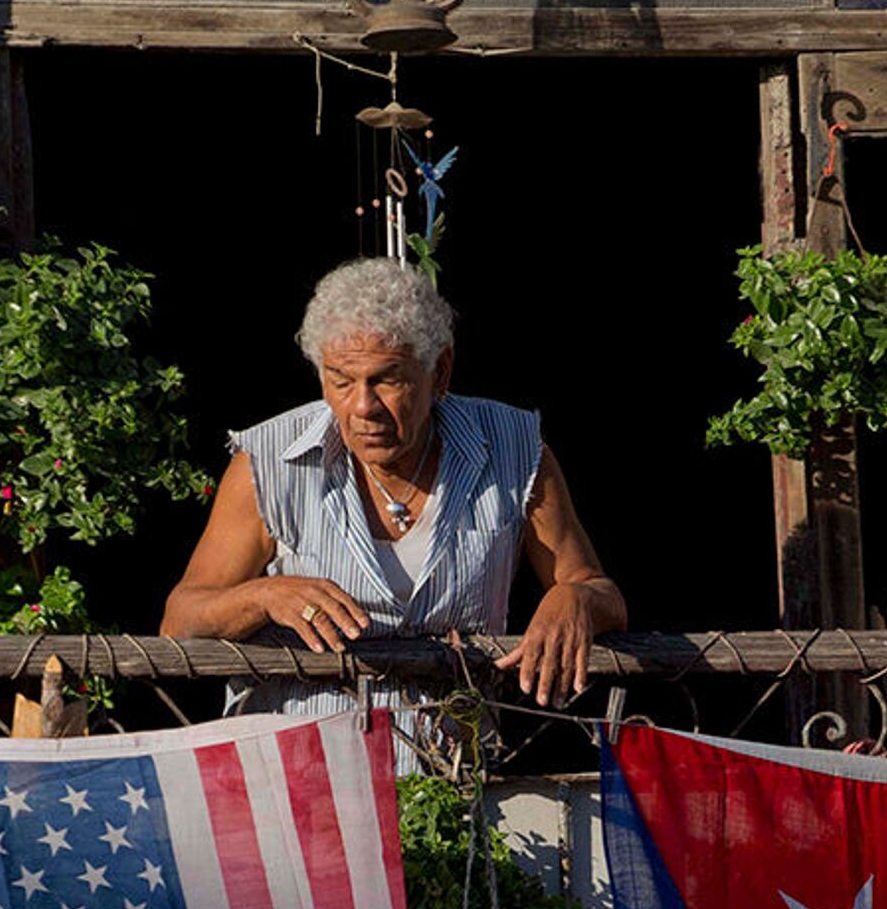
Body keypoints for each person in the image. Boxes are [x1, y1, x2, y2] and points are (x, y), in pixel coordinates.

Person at [161, 259, 626, 741]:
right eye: (341, 380)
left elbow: (600, 592)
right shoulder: (268, 462)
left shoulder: (513, 450)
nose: (363, 407)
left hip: (455, 776)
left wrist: (575, 598)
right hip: (304, 780)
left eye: (387, 380)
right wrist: (263, 596)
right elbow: (181, 622)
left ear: (440, 371)